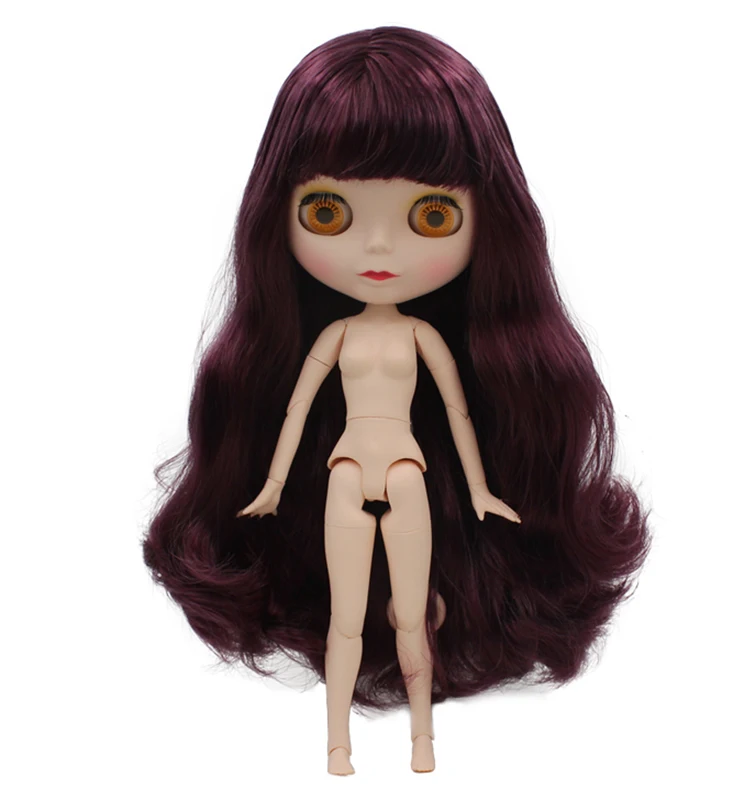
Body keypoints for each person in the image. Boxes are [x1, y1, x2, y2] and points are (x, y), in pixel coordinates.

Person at [143, 25, 650, 776]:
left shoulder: (426, 337)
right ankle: (337, 744)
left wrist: (479, 489)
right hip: (347, 470)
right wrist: (275, 484)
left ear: (489, 217)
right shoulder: (333, 336)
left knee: (411, 616)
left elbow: (458, 413)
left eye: (430, 216)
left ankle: (421, 741)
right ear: (277, 213)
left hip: (407, 470)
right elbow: (295, 411)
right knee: (349, 619)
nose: (378, 249)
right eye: (330, 213)